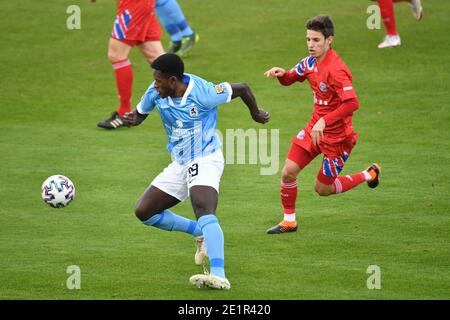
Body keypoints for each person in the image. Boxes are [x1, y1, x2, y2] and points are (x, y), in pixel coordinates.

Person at [123, 53, 270, 289]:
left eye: (159, 81)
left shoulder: (203, 93)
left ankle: (219, 275)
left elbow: (243, 88)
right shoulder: (156, 91)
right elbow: (141, 113)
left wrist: (255, 113)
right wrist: (133, 118)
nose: (155, 85)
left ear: (173, 80)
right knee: (145, 212)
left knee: (202, 206)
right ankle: (200, 233)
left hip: (206, 157)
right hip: (180, 161)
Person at [264, 16, 381, 235]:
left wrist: (324, 120)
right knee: (288, 172)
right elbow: (291, 77)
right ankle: (289, 221)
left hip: (337, 138)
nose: (311, 45)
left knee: (323, 189)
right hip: (313, 130)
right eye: (308, 39)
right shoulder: (309, 62)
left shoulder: (336, 70)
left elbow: (353, 102)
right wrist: (281, 75)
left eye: (316, 40)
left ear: (329, 40)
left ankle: (369, 175)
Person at [96, 0, 165, 130]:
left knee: (117, 54)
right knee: (158, 60)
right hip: (144, 5)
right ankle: (187, 101)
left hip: (134, 5)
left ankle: (124, 113)